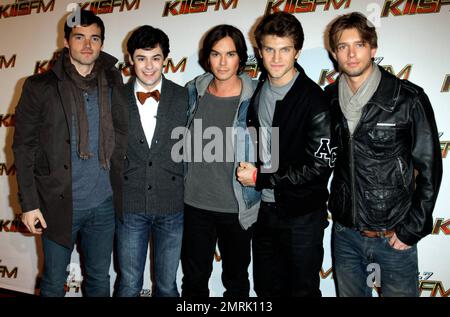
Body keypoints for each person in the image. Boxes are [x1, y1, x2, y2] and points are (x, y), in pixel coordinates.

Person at [325, 12, 442, 297]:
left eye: (359, 45)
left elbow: (430, 169)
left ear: (373, 48)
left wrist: (411, 229)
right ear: (334, 53)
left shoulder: (407, 98)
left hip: (393, 235)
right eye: (343, 46)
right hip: (345, 235)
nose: (351, 54)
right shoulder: (327, 99)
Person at [13, 10, 127, 297]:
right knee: (53, 281)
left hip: (104, 203)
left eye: (94, 38)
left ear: (101, 43)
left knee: (100, 279)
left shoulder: (114, 81)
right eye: (79, 37)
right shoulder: (40, 86)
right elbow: (23, 146)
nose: (87, 45)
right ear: (66, 41)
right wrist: (28, 204)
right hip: (58, 204)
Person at [237, 12, 333, 297]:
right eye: (269, 49)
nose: (276, 58)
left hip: (302, 216)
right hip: (266, 212)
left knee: (302, 292)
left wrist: (260, 177)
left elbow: (319, 167)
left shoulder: (313, 99)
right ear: (260, 51)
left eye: (285, 49)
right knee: (267, 290)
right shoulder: (260, 91)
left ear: (297, 52)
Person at [181, 24, 260, 297]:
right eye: (216, 54)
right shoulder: (193, 91)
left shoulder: (256, 97)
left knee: (236, 282)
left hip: (237, 207)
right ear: (207, 57)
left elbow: (272, 148)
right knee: (194, 280)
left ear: (241, 58)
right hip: (194, 205)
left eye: (230, 54)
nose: (223, 62)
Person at [115, 25, 188, 297]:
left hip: (172, 206)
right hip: (130, 206)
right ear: (130, 60)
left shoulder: (184, 97)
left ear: (165, 60)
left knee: (168, 286)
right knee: (129, 284)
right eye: (141, 58)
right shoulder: (115, 97)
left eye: (155, 58)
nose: (149, 66)